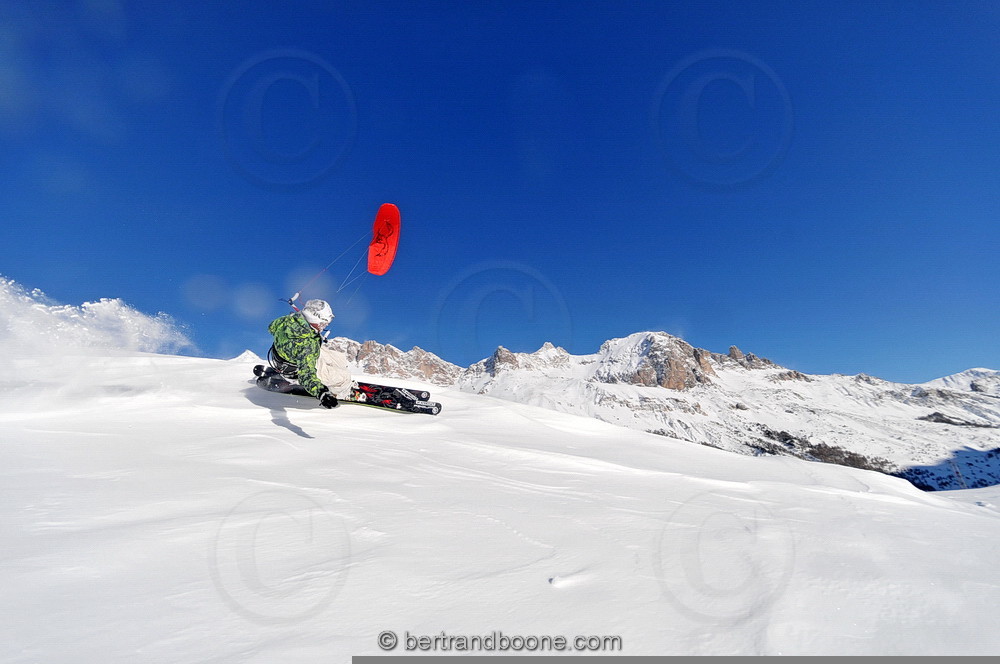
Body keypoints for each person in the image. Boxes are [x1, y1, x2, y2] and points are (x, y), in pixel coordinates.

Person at [254, 299, 340, 408]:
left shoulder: (286, 320)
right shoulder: (307, 346)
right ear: (313, 317)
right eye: (323, 323)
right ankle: (341, 388)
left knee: (332, 356)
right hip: (294, 368)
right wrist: (321, 392)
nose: (323, 327)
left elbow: (271, 327)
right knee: (336, 371)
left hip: (278, 358)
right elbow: (307, 374)